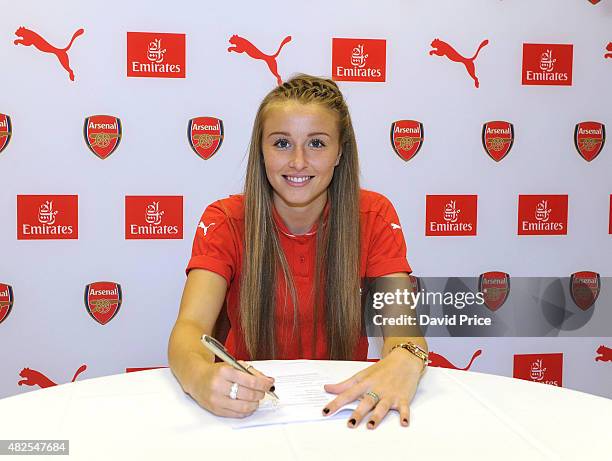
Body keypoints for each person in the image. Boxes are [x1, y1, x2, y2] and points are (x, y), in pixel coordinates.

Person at [168, 74, 428, 429]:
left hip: (342, 410)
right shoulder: (225, 219)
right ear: (261, 149)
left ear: (340, 152)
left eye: (317, 143)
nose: (298, 162)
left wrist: (406, 359)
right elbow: (190, 327)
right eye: (282, 143)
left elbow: (403, 329)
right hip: (249, 412)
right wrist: (200, 379)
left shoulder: (375, 215)